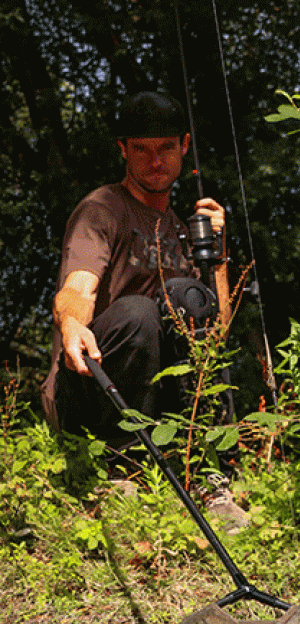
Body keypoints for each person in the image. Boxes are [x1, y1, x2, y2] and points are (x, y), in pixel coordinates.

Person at [42, 91, 225, 445]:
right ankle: (120, 463)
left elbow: (217, 336)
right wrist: (71, 324)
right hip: (86, 389)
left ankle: (206, 462)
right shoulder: (102, 209)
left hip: (159, 402)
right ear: (123, 149)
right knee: (139, 312)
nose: (155, 161)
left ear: (184, 146)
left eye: (166, 148)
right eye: (142, 149)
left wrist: (218, 257)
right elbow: (79, 287)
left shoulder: (185, 233)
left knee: (187, 302)